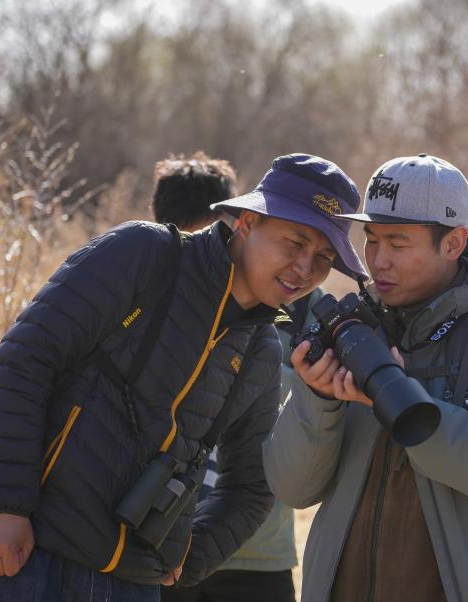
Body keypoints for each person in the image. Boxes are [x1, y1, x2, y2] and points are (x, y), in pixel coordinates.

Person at [0, 153, 367, 601]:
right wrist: (5, 507)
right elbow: (25, 360)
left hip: (132, 584)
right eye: (295, 242)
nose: (305, 269)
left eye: (324, 257)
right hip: (32, 552)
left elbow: (252, 486)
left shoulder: (262, 350)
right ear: (247, 222)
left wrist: (187, 556)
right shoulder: (144, 253)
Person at [262, 154, 468, 602]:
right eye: (371, 240)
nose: (378, 261)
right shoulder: (359, 330)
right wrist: (319, 400)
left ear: (453, 243)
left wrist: (402, 402)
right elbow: (292, 488)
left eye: (398, 244)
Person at [149, 153, 301, 602]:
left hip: (250, 554)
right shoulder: (143, 296)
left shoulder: (286, 308)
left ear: (240, 226)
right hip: (158, 548)